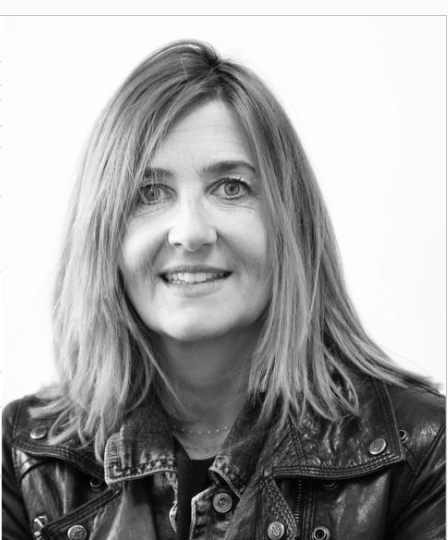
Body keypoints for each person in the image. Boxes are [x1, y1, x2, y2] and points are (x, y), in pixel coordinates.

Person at [2, 40, 444, 540]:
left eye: (231, 187)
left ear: (291, 223)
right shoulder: (25, 459)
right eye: (149, 193)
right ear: (103, 233)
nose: (190, 232)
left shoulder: (424, 451)